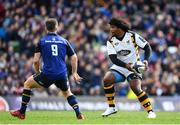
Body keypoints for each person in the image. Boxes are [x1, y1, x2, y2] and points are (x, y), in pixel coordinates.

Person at [10, 18, 85, 120]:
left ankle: (22, 112)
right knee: (67, 93)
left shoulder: (42, 41)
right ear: (57, 27)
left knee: (27, 84)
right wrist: (74, 72)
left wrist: (38, 72)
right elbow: (74, 57)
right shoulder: (64, 41)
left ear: (46, 28)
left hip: (47, 74)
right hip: (62, 74)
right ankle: (78, 113)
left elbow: (36, 61)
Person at [101, 18, 156, 118]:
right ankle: (111, 107)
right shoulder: (110, 41)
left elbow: (147, 46)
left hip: (135, 67)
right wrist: (126, 65)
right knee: (107, 79)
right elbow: (113, 59)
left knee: (135, 87)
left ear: (119, 28)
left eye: (113, 27)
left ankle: (150, 111)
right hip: (120, 66)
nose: (111, 30)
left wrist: (146, 60)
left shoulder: (132, 36)